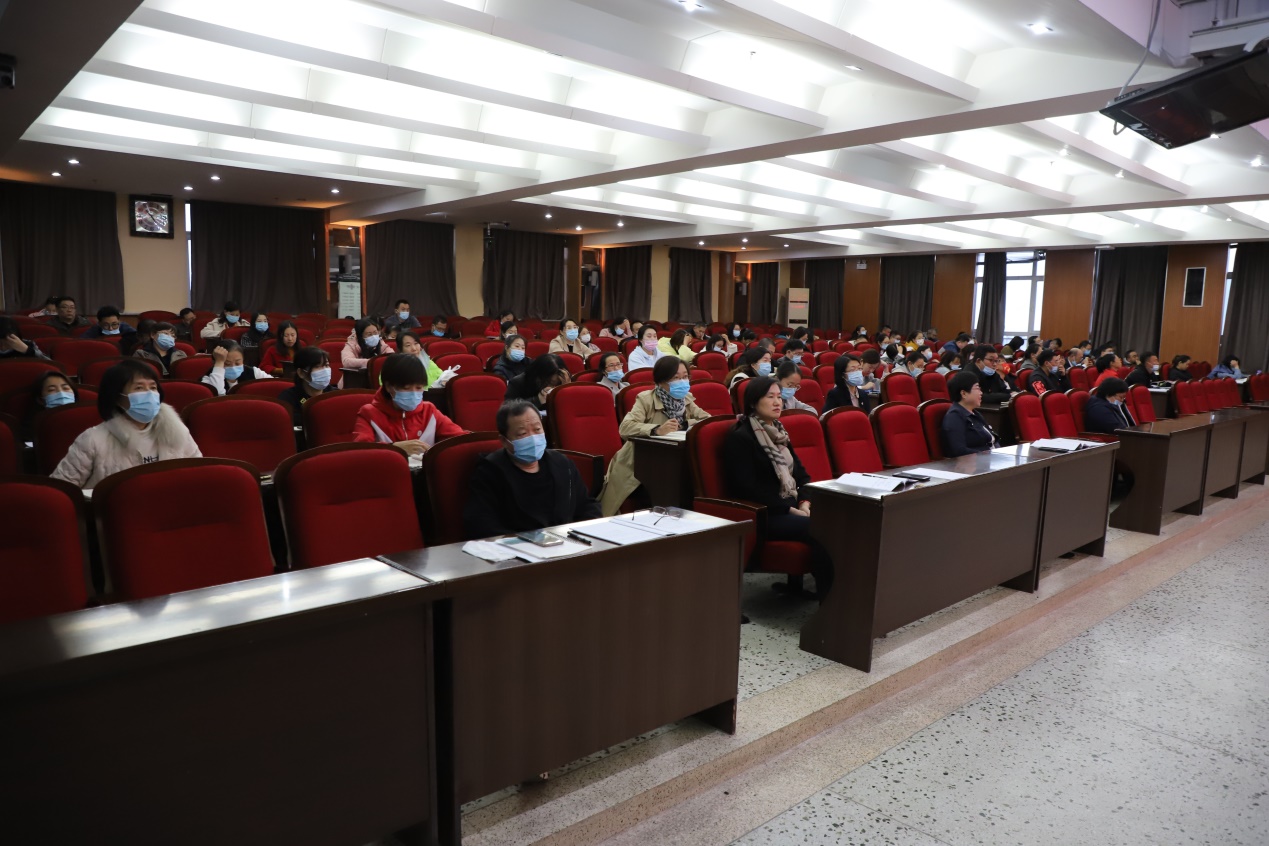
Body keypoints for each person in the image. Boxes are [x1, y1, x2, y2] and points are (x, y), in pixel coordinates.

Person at [723, 377, 833, 599]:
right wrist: (789, 509)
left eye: (779, 397)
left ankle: (840, 591)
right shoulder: (741, 437)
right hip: (765, 514)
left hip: (791, 507)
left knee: (840, 520)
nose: (777, 403)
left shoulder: (778, 433)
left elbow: (802, 476)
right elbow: (747, 488)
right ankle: (830, 600)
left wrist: (804, 502)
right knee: (824, 528)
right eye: (770, 397)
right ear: (753, 402)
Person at [462, 400, 602, 539]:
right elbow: (481, 524)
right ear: (504, 441)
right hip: (519, 548)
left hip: (568, 543)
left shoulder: (562, 463)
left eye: (537, 429)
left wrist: (583, 535)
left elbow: (587, 506)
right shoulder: (490, 471)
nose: (533, 438)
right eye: (522, 433)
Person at [51, 360, 201, 488]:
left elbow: (199, 474)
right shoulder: (92, 439)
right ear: (117, 397)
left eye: (153, 387)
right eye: (139, 388)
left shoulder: (178, 431)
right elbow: (61, 490)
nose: (149, 394)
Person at [599, 356, 711, 514]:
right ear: (661, 380)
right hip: (640, 464)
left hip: (676, 460)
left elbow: (707, 421)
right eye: (676, 378)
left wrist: (686, 424)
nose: (682, 382)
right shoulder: (646, 399)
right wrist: (657, 429)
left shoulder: (685, 399)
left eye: (685, 377)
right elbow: (625, 428)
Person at [353, 353, 464, 456]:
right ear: (389, 387)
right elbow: (361, 452)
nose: (414, 393)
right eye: (406, 388)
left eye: (419, 388)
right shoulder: (369, 414)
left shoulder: (429, 411)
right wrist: (395, 448)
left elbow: (459, 437)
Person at [941, 371, 999, 457]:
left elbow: (993, 439)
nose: (981, 393)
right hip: (976, 462)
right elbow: (959, 450)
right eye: (977, 388)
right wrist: (987, 457)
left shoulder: (975, 413)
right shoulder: (954, 417)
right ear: (964, 393)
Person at [277, 346, 335, 422]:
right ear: (301, 373)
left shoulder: (335, 395)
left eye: (326, 365)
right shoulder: (288, 399)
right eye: (317, 366)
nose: (324, 371)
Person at [505, 353, 569, 416]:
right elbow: (508, 410)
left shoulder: (565, 381)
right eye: (549, 382)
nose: (553, 387)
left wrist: (566, 390)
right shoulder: (518, 382)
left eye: (557, 384)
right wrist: (538, 400)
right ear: (538, 376)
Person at [202, 341, 271, 395]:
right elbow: (218, 394)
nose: (233, 367)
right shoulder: (208, 378)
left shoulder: (253, 372)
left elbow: (273, 384)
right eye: (227, 364)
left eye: (237, 363)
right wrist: (219, 362)